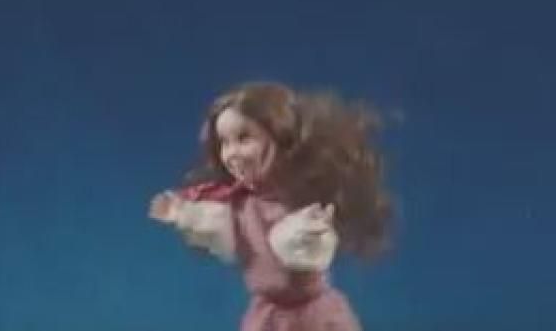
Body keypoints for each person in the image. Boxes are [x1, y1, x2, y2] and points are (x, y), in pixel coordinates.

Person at [149, 81, 393, 331]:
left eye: (244, 138)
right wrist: (181, 212)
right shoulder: (240, 206)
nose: (231, 153)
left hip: (316, 320)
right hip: (268, 320)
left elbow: (300, 244)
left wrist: (308, 233)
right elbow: (218, 227)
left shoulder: (298, 199)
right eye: (224, 142)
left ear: (278, 137)